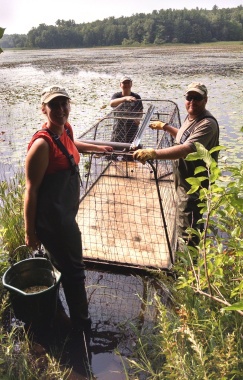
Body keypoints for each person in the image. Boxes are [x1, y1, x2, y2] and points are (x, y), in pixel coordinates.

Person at [24, 85, 113, 335]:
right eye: (54, 105)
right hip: (54, 222)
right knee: (74, 271)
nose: (61, 109)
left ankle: (57, 313)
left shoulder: (66, 130)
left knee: (59, 265)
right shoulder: (41, 145)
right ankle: (82, 326)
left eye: (64, 103)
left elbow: (72, 145)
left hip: (65, 215)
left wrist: (96, 148)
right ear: (44, 109)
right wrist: (30, 232)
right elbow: (30, 190)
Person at [133, 82, 219, 248]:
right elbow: (183, 137)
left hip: (194, 188)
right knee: (185, 222)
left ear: (205, 100)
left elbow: (187, 148)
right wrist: (166, 127)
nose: (192, 101)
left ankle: (188, 267)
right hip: (183, 182)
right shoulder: (191, 116)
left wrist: (154, 154)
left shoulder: (207, 124)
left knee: (188, 230)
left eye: (197, 98)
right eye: (189, 97)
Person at [110, 76, 143, 143]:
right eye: (124, 83)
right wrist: (125, 99)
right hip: (119, 125)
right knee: (117, 144)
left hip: (132, 125)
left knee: (132, 144)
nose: (126, 85)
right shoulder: (116, 96)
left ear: (131, 84)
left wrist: (138, 119)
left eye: (128, 83)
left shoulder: (136, 96)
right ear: (120, 85)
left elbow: (140, 110)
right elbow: (111, 103)